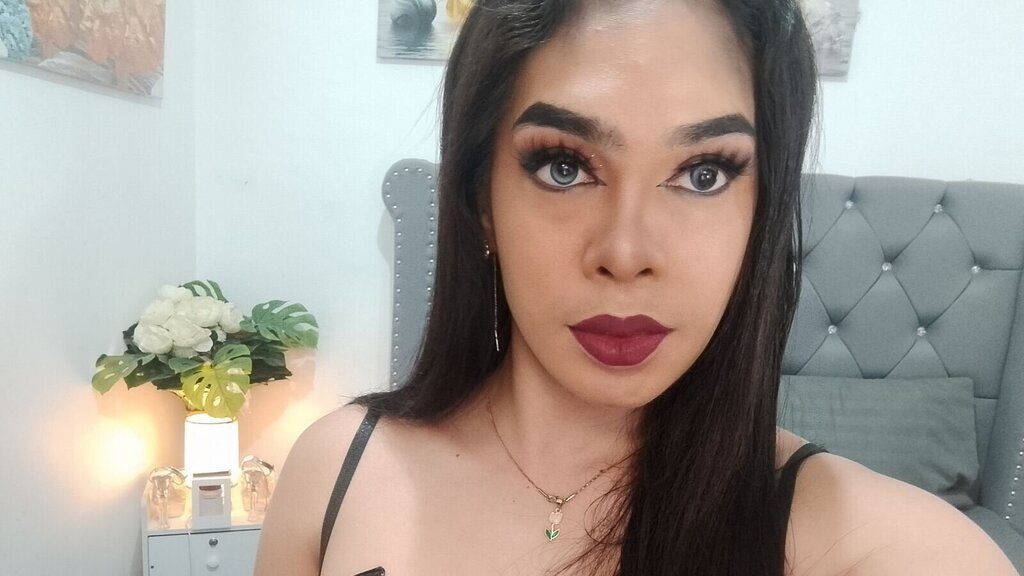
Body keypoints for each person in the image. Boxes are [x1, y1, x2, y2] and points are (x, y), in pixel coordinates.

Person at [255, 1, 1018, 574]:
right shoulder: (335, 470)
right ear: (482, 200)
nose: (626, 253)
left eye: (704, 174)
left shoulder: (885, 544)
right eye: (564, 166)